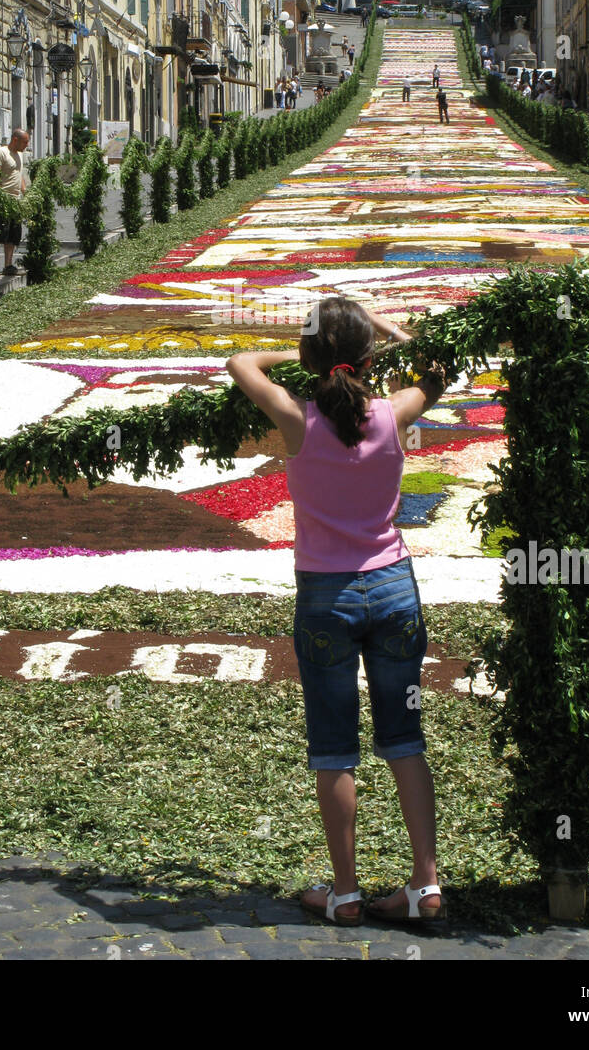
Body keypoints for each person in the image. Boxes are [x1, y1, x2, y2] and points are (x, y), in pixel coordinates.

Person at [226, 296, 449, 926]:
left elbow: (241, 360)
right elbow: (435, 367)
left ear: (312, 357)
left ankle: (346, 894)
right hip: (394, 589)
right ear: (367, 359)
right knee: (405, 740)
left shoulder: (298, 418)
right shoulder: (391, 411)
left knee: (333, 749)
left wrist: (299, 353)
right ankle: (425, 885)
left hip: (327, 597)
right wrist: (384, 332)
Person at [0, 129, 29, 275]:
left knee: (13, 234)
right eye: (25, 142)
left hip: (16, 200)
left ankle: (8, 265)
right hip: (3, 199)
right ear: (15, 140)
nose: (27, 145)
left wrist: (25, 193)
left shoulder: (20, 155)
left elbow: (19, 175)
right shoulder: (1, 153)